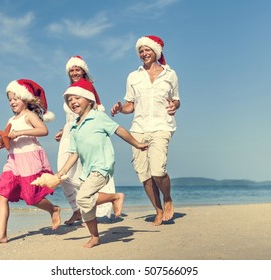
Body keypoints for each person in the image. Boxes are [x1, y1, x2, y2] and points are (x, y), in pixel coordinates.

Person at [33, 78, 148, 248]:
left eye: (77, 98)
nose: (73, 102)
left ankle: (115, 197)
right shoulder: (74, 127)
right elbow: (74, 153)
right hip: (88, 170)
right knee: (85, 204)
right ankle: (95, 236)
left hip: (102, 165)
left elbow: (120, 130)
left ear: (89, 100)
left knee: (83, 197)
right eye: (69, 100)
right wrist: (60, 173)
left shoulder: (99, 117)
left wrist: (137, 144)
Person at [110, 35, 180, 226]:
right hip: (138, 129)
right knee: (144, 174)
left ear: (156, 52)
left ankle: (167, 199)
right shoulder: (133, 76)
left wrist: (175, 105)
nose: (143, 53)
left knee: (158, 170)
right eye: (141, 51)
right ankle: (157, 209)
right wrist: (119, 109)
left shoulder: (170, 74)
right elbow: (130, 106)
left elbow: (176, 99)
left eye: (147, 49)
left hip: (161, 126)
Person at [0, 79, 60, 246]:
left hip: (29, 159)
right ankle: (1, 234)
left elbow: (43, 130)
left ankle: (53, 209)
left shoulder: (30, 115)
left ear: (25, 99)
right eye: (9, 100)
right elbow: (7, 141)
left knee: (31, 197)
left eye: (15, 98)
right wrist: (0, 143)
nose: (12, 102)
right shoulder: (10, 121)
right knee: (1, 194)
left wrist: (20, 132)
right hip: (13, 160)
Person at [54, 56, 115, 225]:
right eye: (71, 70)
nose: (74, 72)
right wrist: (62, 129)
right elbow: (71, 115)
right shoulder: (70, 89)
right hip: (69, 132)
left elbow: (94, 110)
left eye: (77, 69)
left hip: (83, 133)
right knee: (63, 173)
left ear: (83, 71)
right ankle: (77, 209)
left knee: (82, 173)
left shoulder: (88, 87)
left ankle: (88, 207)